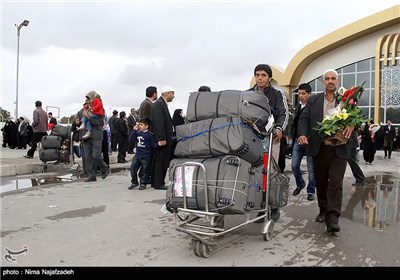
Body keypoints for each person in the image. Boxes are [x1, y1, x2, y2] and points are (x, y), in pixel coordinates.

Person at [298, 69, 356, 234]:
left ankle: (333, 219)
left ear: (337, 81)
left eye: (333, 79)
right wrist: (302, 134)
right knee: (322, 181)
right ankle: (323, 209)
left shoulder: (347, 100)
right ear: (323, 82)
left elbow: (356, 118)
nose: (330, 81)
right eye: (327, 79)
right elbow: (304, 119)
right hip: (320, 146)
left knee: (335, 182)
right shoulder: (313, 100)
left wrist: (352, 125)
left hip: (340, 147)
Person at [249, 64, 290, 222]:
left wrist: (279, 128)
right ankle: (259, 207)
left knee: (270, 172)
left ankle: (273, 206)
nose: (260, 78)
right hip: (252, 140)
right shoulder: (247, 94)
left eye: (263, 75)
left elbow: (284, 113)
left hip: (271, 139)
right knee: (254, 173)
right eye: (257, 75)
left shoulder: (277, 94)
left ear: (270, 78)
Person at [291, 83, 316, 201]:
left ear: (309, 94)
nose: (301, 96)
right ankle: (300, 184)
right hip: (297, 141)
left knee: (311, 169)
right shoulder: (298, 106)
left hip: (310, 142)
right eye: (299, 93)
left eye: (304, 93)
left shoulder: (314, 106)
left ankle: (311, 191)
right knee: (294, 165)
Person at [128, 118, 164, 190]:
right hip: (138, 154)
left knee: (145, 170)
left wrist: (159, 144)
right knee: (133, 169)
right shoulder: (137, 133)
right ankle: (134, 182)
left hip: (146, 155)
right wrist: (134, 130)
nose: (140, 126)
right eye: (139, 124)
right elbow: (131, 139)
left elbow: (153, 144)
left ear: (146, 126)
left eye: (141, 125)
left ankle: (143, 183)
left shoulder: (150, 135)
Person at [81, 91, 109, 182]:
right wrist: (77, 122)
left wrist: (88, 117)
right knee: (87, 157)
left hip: (96, 135)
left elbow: (98, 123)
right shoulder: (85, 110)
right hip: (86, 137)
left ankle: (104, 167)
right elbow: (80, 122)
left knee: (96, 155)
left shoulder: (100, 110)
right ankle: (91, 175)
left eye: (89, 99)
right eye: (87, 100)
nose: (88, 101)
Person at [151, 86, 175, 190]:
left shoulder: (161, 104)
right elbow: (159, 123)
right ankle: (158, 183)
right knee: (161, 161)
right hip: (162, 139)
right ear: (167, 93)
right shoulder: (159, 104)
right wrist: (161, 138)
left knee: (161, 160)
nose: (173, 96)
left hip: (165, 138)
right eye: (172, 94)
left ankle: (157, 181)